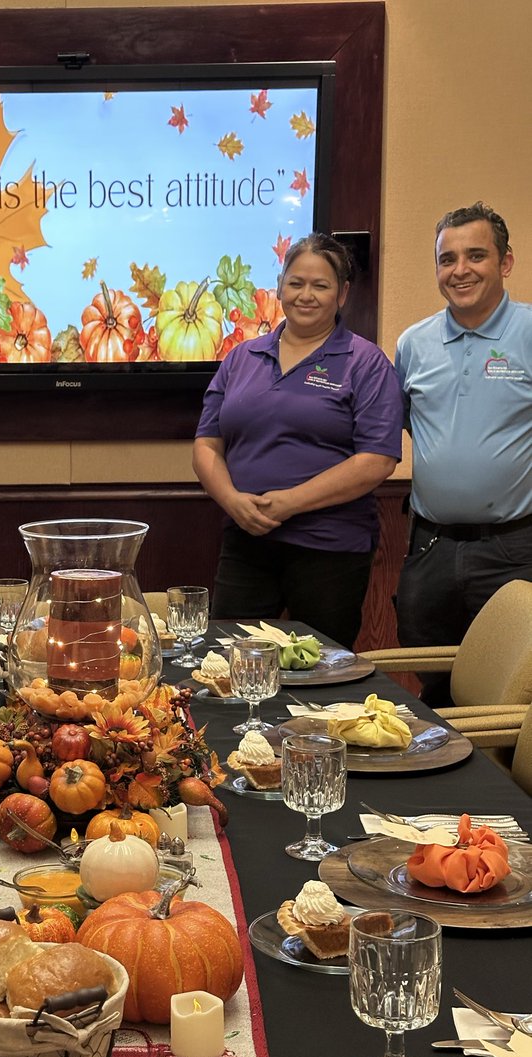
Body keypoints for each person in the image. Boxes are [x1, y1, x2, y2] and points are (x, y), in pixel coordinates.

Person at [192, 233, 403, 648]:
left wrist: (290, 502)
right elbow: (206, 444)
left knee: (322, 671)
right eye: (296, 282)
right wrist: (233, 500)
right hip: (246, 542)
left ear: (342, 294)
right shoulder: (241, 357)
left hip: (330, 549)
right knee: (230, 664)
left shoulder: (365, 362)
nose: (306, 295)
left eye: (320, 286)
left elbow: (377, 459)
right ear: (280, 287)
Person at [395, 202, 532, 700]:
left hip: (514, 549)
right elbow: (408, 426)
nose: (460, 270)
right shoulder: (413, 344)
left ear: (506, 262)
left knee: (510, 691)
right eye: (446, 259)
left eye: (476, 255)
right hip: (430, 548)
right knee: (432, 684)